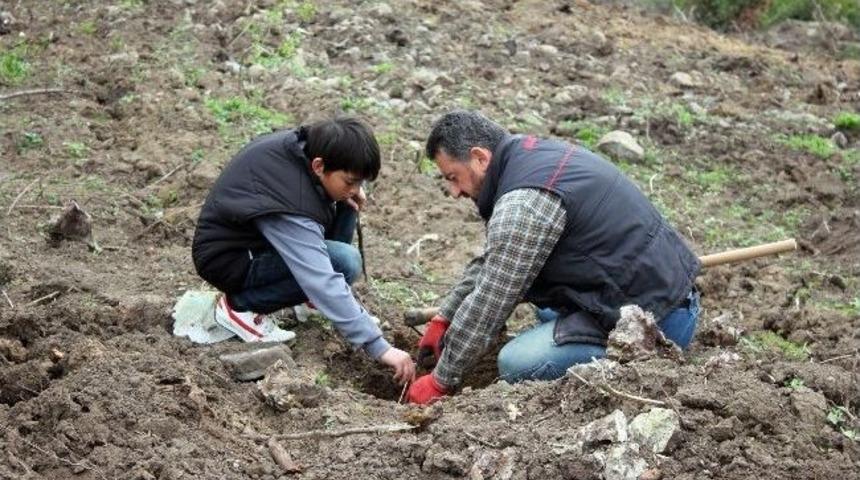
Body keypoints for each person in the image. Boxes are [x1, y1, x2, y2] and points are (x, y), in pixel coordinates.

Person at [407, 110, 700, 404]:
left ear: (480, 158)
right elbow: (494, 261)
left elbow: (491, 302)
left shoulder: (523, 204)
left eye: (453, 177)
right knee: (546, 311)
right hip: (654, 289)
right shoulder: (528, 157)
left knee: (516, 363)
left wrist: (440, 380)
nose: (454, 191)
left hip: (658, 321)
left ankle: (638, 357)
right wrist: (446, 316)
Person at [192, 117, 415, 384]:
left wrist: (347, 195)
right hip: (230, 258)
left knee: (347, 206)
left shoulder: (305, 150)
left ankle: (312, 302)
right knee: (344, 262)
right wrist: (379, 346)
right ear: (319, 166)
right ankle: (240, 307)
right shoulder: (290, 200)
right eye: (350, 181)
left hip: (255, 241)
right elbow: (319, 276)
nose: (357, 189)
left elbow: (330, 208)